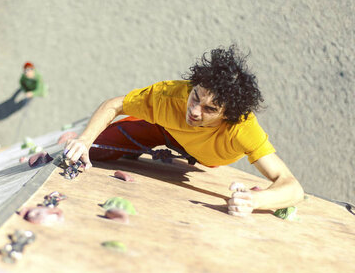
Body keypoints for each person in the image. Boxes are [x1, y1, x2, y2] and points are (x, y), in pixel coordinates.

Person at [64, 45, 304, 217]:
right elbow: (114, 104)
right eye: (195, 97)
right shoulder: (169, 95)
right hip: (163, 130)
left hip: (206, 157)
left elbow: (292, 187)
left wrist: (255, 200)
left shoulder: (242, 128)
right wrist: (84, 141)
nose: (195, 111)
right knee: (94, 149)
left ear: (227, 116)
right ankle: (112, 144)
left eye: (210, 108)